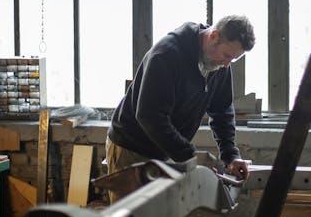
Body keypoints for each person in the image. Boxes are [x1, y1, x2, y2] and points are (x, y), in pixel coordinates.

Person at [106, 14, 255, 203]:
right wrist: (189, 157)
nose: (226, 64)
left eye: (232, 60)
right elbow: (150, 116)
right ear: (214, 36)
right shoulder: (167, 54)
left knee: (161, 215)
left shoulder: (219, 66)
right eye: (226, 56)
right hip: (131, 147)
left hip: (166, 149)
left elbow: (222, 112)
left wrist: (230, 155)